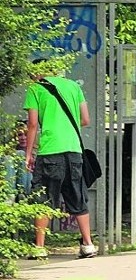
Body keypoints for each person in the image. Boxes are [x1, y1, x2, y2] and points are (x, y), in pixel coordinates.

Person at [23, 61, 96, 259]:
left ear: (36, 73)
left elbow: (32, 124)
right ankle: (88, 244)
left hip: (50, 150)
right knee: (77, 195)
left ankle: (39, 247)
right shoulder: (73, 86)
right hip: (73, 151)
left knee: (44, 198)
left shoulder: (35, 89)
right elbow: (85, 119)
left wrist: (28, 154)